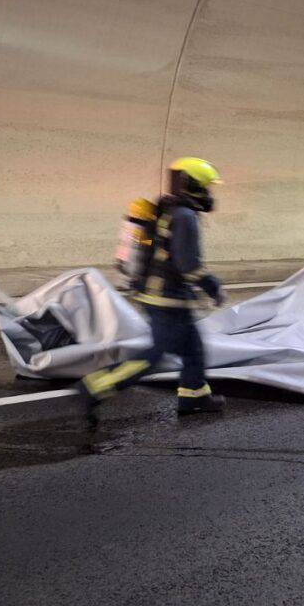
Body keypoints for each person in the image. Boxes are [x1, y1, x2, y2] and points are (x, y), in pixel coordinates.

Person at [78, 157, 227, 417]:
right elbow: (187, 264)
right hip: (168, 298)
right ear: (193, 184)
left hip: (159, 294)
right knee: (155, 355)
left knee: (194, 347)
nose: (208, 193)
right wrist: (213, 287)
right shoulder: (185, 216)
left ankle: (194, 396)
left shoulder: (167, 209)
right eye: (205, 186)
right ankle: (96, 385)